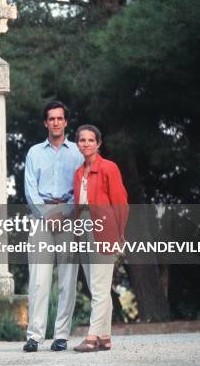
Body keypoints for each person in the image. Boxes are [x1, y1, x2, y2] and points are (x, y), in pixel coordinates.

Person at [23, 101, 84, 352]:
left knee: (67, 279)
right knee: (38, 279)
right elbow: (30, 188)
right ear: (45, 123)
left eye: (60, 118)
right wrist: (47, 215)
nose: (56, 122)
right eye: (51, 119)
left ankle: (61, 335)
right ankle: (34, 336)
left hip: (69, 218)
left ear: (66, 122)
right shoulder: (34, 152)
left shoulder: (78, 153)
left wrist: (66, 211)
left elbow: (82, 188)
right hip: (41, 219)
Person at [72, 124, 129, 352]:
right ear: (77, 144)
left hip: (104, 228)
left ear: (99, 144)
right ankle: (105, 337)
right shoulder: (78, 172)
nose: (86, 144)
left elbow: (121, 203)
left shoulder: (109, 168)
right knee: (98, 287)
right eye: (82, 140)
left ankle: (92, 337)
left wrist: (119, 232)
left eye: (90, 140)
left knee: (98, 285)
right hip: (83, 228)